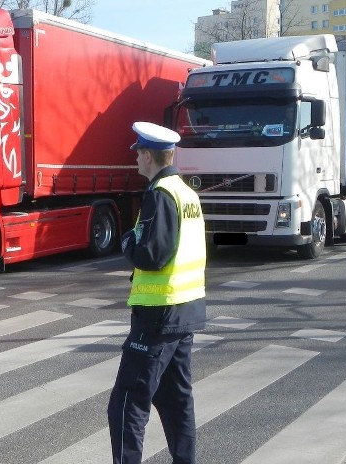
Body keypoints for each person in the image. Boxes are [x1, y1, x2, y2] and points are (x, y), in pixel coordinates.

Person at [107, 121, 207, 464]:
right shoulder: (186, 193)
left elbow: (152, 254)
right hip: (184, 311)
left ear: (149, 156)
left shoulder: (160, 194)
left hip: (157, 316)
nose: (135, 158)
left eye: (138, 152)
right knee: (176, 402)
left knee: (126, 404)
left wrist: (126, 242)